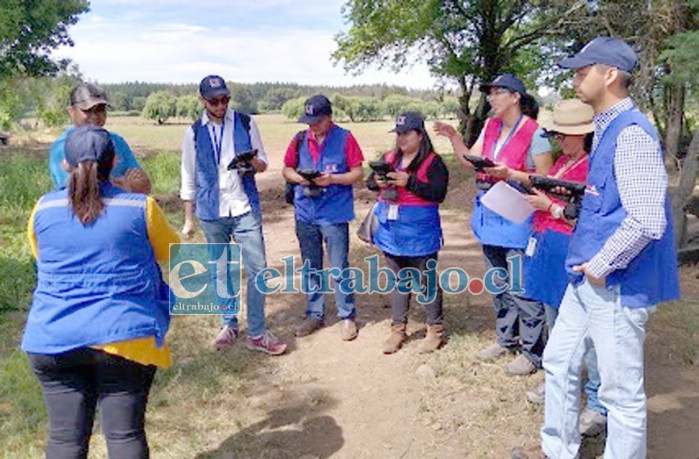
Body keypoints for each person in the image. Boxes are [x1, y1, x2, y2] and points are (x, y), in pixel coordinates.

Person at [512, 37, 681, 459]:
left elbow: (646, 219)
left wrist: (601, 265)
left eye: (582, 71)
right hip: (588, 275)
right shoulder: (608, 127)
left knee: (620, 393)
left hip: (616, 281)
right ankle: (558, 449)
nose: (574, 78)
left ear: (610, 75)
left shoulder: (633, 134)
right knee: (559, 361)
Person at [23, 126, 179, 458]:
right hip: (125, 336)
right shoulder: (141, 207)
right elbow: (174, 254)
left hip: (52, 336)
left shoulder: (42, 209)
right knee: (124, 435)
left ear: (65, 165)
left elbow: (42, 256)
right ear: (115, 162)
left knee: (64, 440)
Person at [434, 74, 553, 376]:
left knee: (521, 285)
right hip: (490, 212)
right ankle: (506, 339)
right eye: (489, 93)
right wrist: (453, 137)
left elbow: (546, 181)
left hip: (518, 215)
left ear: (515, 97)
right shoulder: (490, 126)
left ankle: (532, 351)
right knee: (498, 283)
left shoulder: (536, 133)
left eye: (498, 92)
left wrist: (510, 173)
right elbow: (469, 160)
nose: (491, 98)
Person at [180, 75, 286, 355]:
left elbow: (263, 164)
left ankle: (258, 332)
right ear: (203, 101)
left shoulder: (246, 123)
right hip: (211, 211)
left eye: (225, 99)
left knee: (258, 269)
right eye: (214, 101)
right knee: (220, 269)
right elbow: (187, 176)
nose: (221, 105)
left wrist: (251, 162)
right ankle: (229, 324)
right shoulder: (192, 132)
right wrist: (189, 219)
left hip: (243, 207)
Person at [522, 99, 607, 437]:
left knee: (588, 331)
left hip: (574, 250)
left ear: (585, 134)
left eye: (565, 134)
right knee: (556, 319)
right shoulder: (563, 161)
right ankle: (559, 380)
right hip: (549, 247)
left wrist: (552, 208)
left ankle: (597, 403)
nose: (559, 140)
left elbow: (589, 215)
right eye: (557, 134)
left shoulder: (595, 167)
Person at [282, 94, 364, 341]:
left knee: (339, 266)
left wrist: (333, 179)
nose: (312, 126)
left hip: (334, 212)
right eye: (309, 121)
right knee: (311, 266)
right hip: (305, 211)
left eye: (317, 120)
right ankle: (314, 314)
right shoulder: (299, 139)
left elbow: (358, 172)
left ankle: (347, 316)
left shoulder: (345, 138)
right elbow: (286, 169)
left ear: (329, 117)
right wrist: (300, 178)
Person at [367, 112, 449, 354]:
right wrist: (378, 183)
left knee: (427, 281)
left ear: (420, 135)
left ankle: (435, 330)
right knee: (397, 281)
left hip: (420, 233)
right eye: (398, 134)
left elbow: (438, 194)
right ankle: (397, 329)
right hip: (391, 232)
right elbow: (370, 183)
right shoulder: (390, 158)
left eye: (406, 134)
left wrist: (409, 182)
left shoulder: (434, 162)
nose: (401, 139)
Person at [49, 82, 152, 194]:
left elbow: (144, 185)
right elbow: (77, 193)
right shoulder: (62, 146)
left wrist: (121, 185)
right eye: (88, 110)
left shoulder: (117, 141)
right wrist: (125, 185)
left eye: (100, 109)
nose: (95, 116)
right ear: (71, 111)